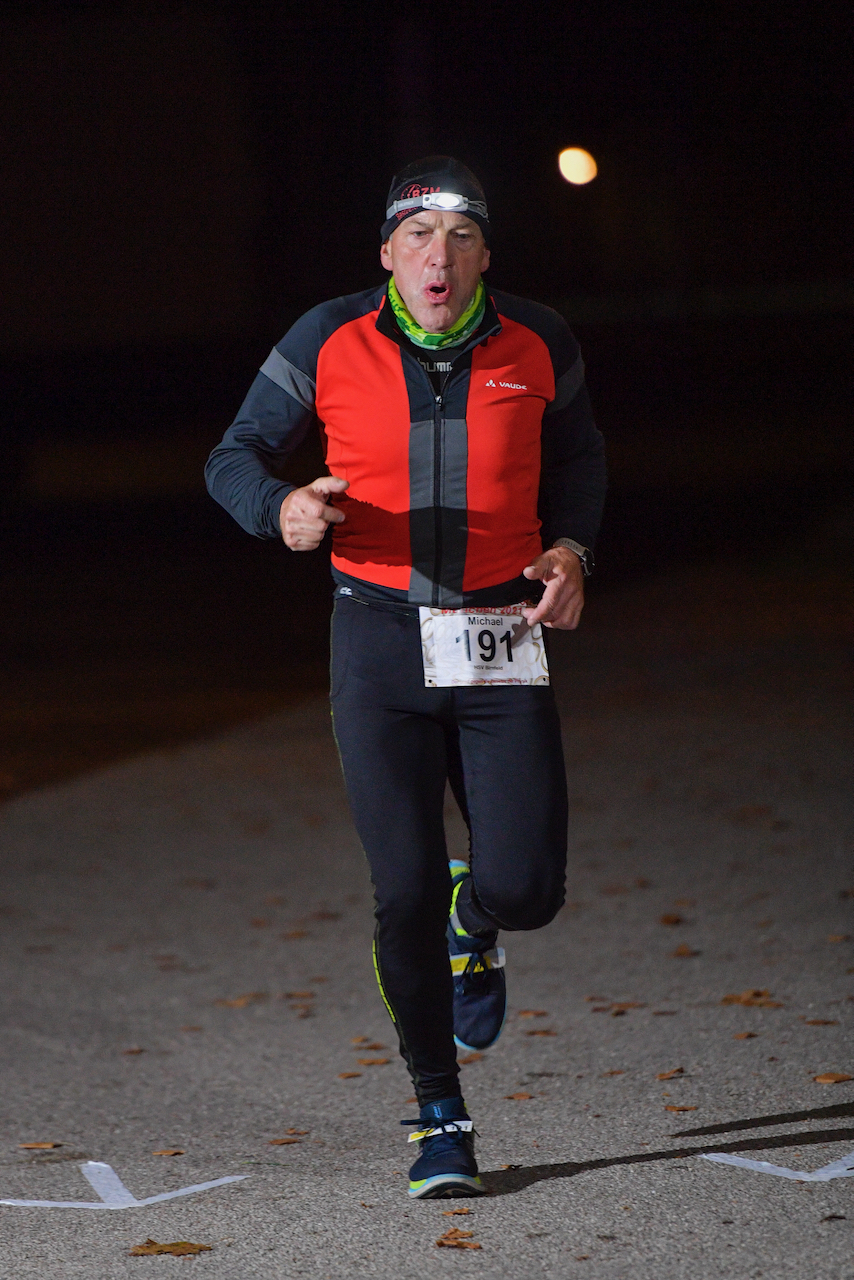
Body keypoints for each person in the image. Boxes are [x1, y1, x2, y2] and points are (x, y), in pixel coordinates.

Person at [205, 156, 606, 1199]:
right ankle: (439, 1110)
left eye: (460, 235)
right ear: (386, 253)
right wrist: (281, 508)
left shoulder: (538, 340)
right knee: (402, 891)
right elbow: (234, 454)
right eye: (417, 236)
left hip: (496, 634)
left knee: (526, 886)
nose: (439, 255)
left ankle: (483, 920)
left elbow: (579, 462)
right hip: (376, 637)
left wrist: (569, 551)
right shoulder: (327, 337)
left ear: (484, 255)